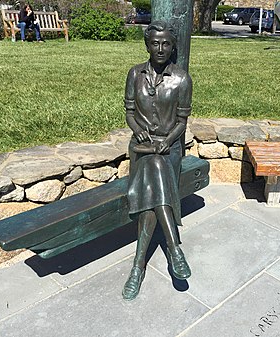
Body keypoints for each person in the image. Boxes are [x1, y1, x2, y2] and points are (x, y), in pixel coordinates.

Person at [122, 21, 193, 300]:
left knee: (152, 187)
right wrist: (138, 131)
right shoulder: (135, 74)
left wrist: (166, 140)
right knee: (153, 171)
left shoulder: (182, 79)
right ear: (147, 44)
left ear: (173, 46)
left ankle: (137, 268)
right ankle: (175, 249)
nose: (160, 48)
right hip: (141, 147)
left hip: (168, 148)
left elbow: (182, 121)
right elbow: (129, 111)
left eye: (166, 43)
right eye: (155, 43)